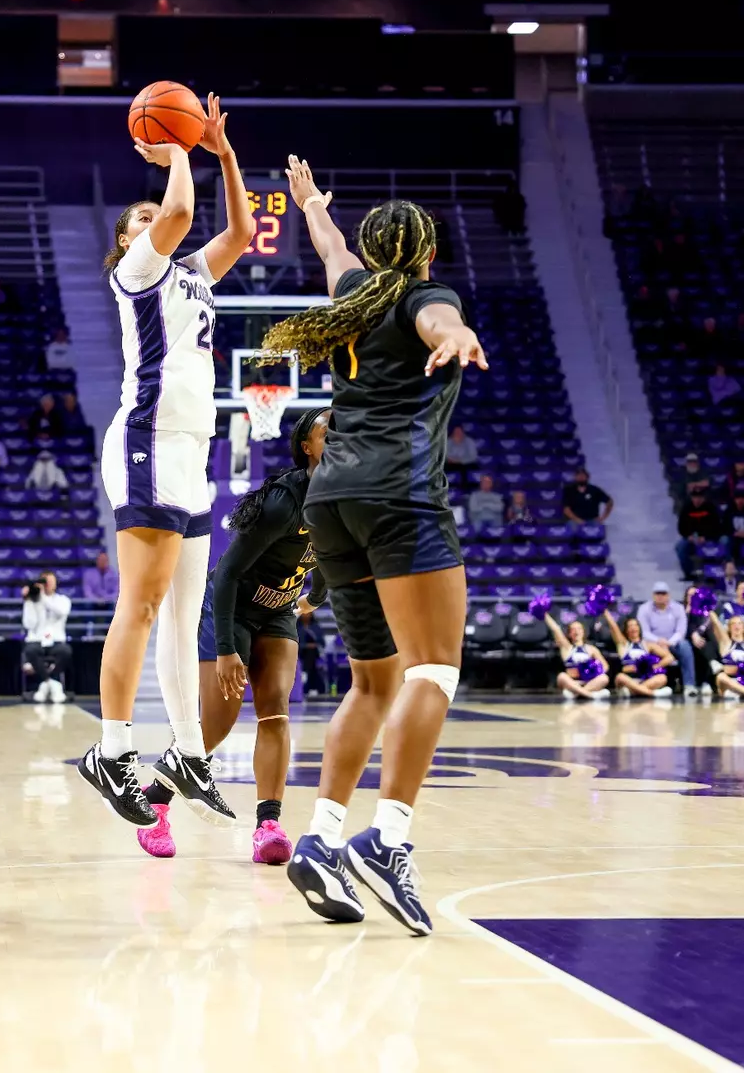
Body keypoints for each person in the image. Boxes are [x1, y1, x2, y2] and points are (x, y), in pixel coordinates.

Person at [261, 155, 485, 935]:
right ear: (426, 255)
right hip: (400, 496)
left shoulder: (353, 294)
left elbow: (331, 252)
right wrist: (456, 333)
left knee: (373, 681)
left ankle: (321, 840)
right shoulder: (428, 296)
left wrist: (313, 206)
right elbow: (437, 322)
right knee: (434, 670)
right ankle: (387, 840)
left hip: (332, 501)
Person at [79, 92, 258, 834]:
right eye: (140, 220)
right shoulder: (139, 273)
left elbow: (243, 232)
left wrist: (220, 150)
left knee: (187, 621)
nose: (155, 220)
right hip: (148, 440)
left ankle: (187, 752)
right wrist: (175, 149)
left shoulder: (192, 275)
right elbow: (181, 217)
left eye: (155, 214)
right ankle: (112, 748)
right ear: (125, 243)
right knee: (143, 607)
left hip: (191, 452)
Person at [136, 408, 330, 863]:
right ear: (307, 446)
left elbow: (328, 555)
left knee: (276, 712)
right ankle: (157, 804)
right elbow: (224, 575)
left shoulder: (345, 498)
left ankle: (268, 825)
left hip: (279, 610)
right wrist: (225, 650)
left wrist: (313, 599)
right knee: (217, 725)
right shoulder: (284, 501)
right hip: (231, 606)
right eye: (329, 431)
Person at [636, 583, 695, 697]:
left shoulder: (678, 608)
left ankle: (689, 686)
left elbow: (680, 631)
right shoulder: (644, 609)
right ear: (653, 595)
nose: (660, 596)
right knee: (644, 646)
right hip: (652, 644)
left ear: (668, 595)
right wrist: (658, 641)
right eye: (658, 593)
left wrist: (669, 643)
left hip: (673, 643)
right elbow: (644, 632)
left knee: (685, 646)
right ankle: (647, 683)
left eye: (663, 593)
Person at [23, 569, 72, 704]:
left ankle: (45, 685)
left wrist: (44, 598)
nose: (47, 584)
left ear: (56, 584)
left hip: (56, 641)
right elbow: (29, 624)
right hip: (37, 640)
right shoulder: (32, 601)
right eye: (44, 582)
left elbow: (62, 611)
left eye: (50, 581)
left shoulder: (63, 600)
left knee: (66, 651)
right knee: (30, 650)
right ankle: (52, 684)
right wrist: (30, 602)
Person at [603, 611, 672, 700]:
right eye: (630, 626)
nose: (633, 628)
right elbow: (614, 627)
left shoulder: (648, 645)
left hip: (645, 679)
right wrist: (605, 611)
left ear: (639, 628)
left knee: (662, 677)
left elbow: (669, 657)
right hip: (629, 679)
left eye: (635, 625)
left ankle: (632, 692)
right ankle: (653, 693)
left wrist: (655, 666)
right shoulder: (623, 644)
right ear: (626, 630)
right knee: (620, 677)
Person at [546, 614, 609, 701]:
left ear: (583, 632)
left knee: (604, 678)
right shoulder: (567, 648)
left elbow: (605, 666)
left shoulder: (591, 649)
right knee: (561, 676)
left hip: (589, 682)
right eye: (573, 629)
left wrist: (593, 673)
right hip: (573, 682)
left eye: (579, 629)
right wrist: (544, 613)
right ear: (569, 634)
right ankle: (591, 695)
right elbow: (556, 629)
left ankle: (576, 694)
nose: (576, 632)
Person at [674, 489, 723, 578]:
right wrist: (689, 536)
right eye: (695, 498)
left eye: (699, 498)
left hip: (708, 538)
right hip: (691, 539)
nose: (697, 500)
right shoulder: (687, 508)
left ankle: (711, 574)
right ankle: (689, 574)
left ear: (703, 498)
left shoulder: (710, 508)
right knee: (680, 547)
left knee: (713, 547)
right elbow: (681, 527)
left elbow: (717, 527)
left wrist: (706, 537)